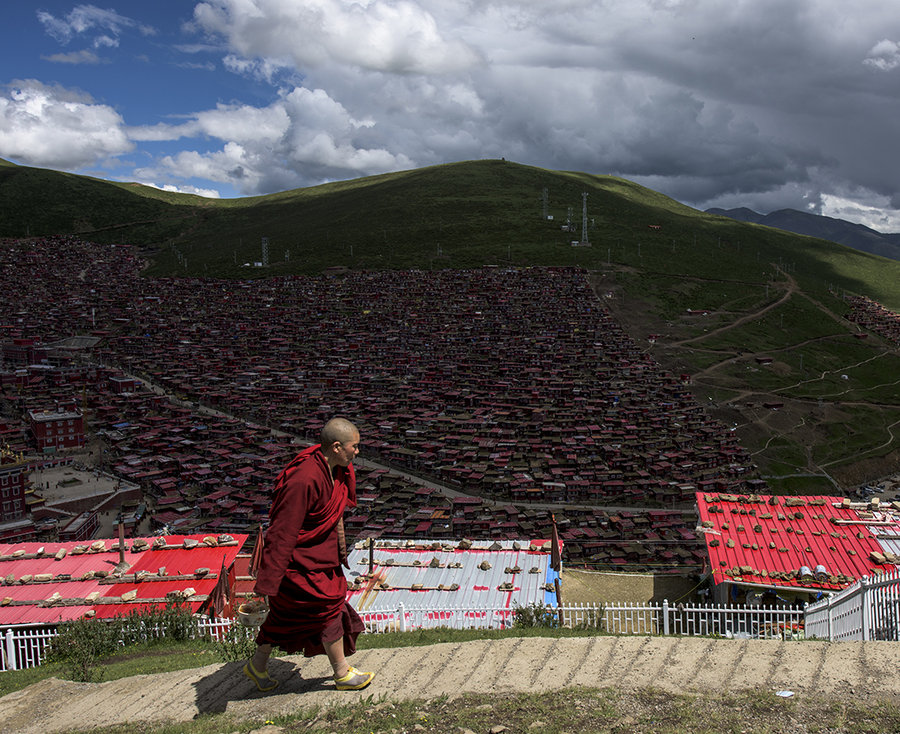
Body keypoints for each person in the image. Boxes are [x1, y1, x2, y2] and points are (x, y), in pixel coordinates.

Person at [243, 417, 374, 692]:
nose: (357, 452)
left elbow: (334, 508)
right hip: (299, 565)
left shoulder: (336, 469)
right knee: (328, 607)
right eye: (355, 446)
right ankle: (341, 673)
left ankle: (257, 666)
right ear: (337, 447)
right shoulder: (303, 479)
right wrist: (269, 580)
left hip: (320, 559)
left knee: (283, 618)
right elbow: (282, 530)